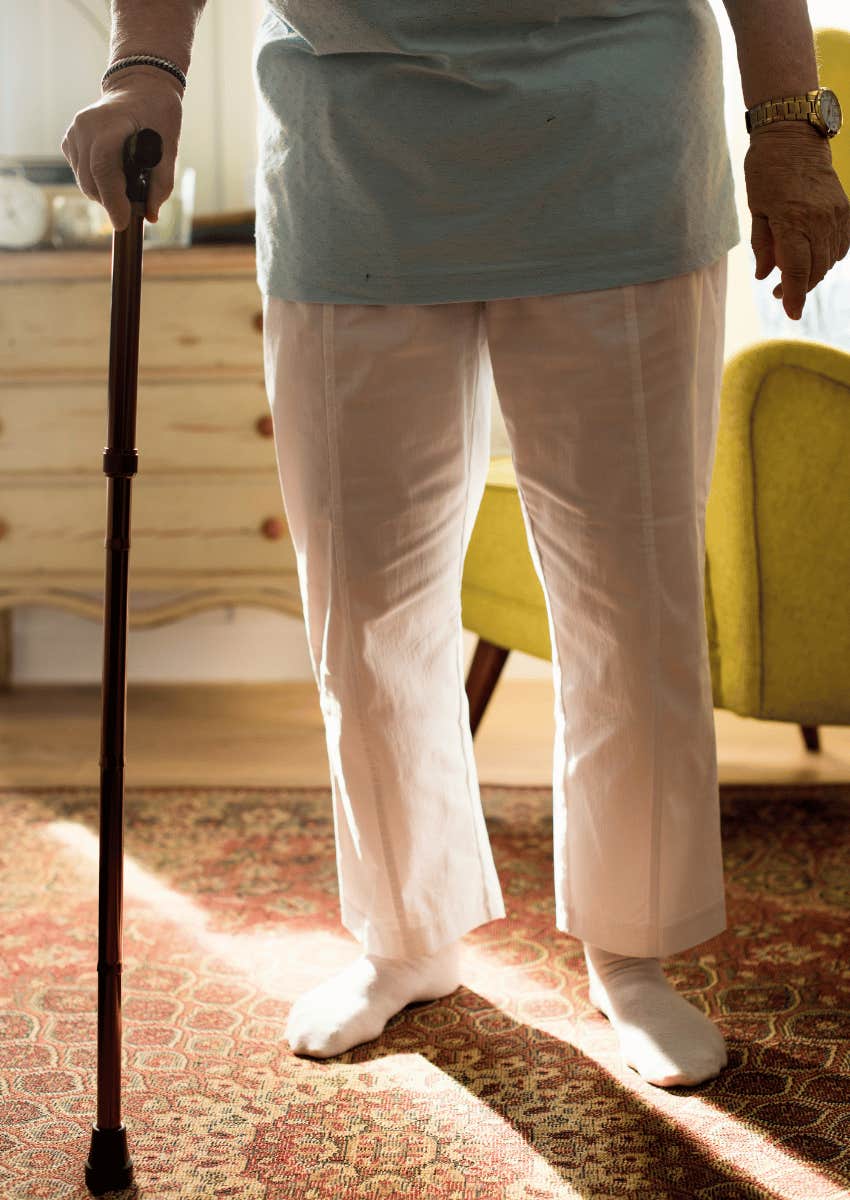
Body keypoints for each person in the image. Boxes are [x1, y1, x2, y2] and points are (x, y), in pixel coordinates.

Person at [62, 0, 849, 1089]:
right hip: (354, 162)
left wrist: (785, 130)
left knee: (630, 600)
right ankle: (404, 935)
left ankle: (632, 948)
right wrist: (143, 65)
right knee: (365, 606)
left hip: (614, 151)